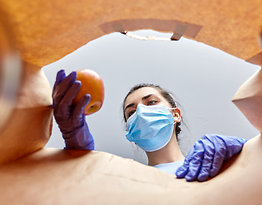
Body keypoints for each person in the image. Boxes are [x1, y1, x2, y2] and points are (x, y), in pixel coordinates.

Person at [52, 70, 247, 182]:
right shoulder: (125, 180)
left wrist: (244, 150)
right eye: (131, 112)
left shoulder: (213, 164)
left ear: (175, 115)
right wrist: (75, 144)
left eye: (151, 102)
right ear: (129, 131)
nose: (142, 112)